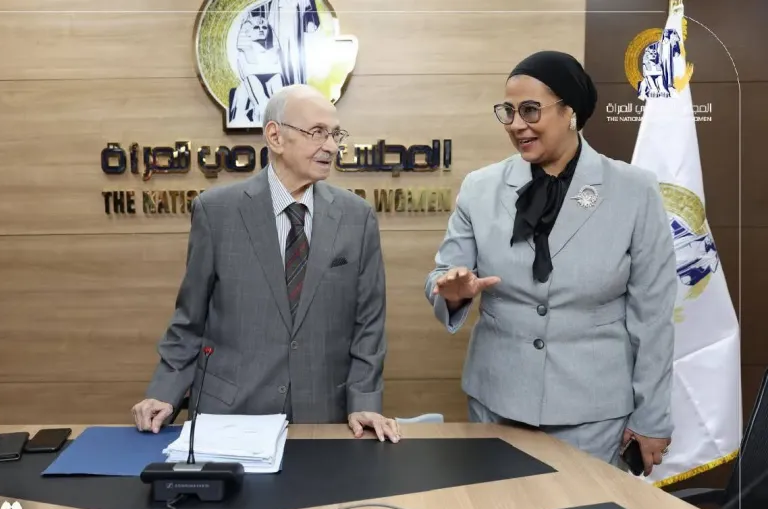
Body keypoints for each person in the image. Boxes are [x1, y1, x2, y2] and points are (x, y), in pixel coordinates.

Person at [423, 51, 676, 474]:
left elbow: (653, 316)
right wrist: (452, 292)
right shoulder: (480, 188)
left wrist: (652, 417)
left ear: (570, 111)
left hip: (594, 415)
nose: (516, 124)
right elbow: (442, 275)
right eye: (508, 112)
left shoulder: (634, 190)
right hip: (496, 403)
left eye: (530, 110)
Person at [133, 84, 399, 443]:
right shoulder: (217, 212)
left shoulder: (357, 216)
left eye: (335, 134)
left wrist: (364, 401)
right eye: (317, 132)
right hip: (230, 415)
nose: (332, 146)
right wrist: (164, 392)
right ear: (275, 136)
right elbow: (190, 319)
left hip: (322, 415)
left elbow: (369, 324)